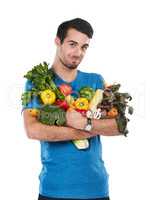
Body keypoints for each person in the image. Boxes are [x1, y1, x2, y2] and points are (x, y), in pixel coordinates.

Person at [23, 18, 121, 200]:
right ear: (57, 42)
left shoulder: (96, 81)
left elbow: (118, 125)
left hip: (96, 189)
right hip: (54, 189)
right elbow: (32, 129)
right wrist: (83, 130)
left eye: (84, 47)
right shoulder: (37, 83)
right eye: (72, 44)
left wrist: (85, 122)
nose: (78, 52)